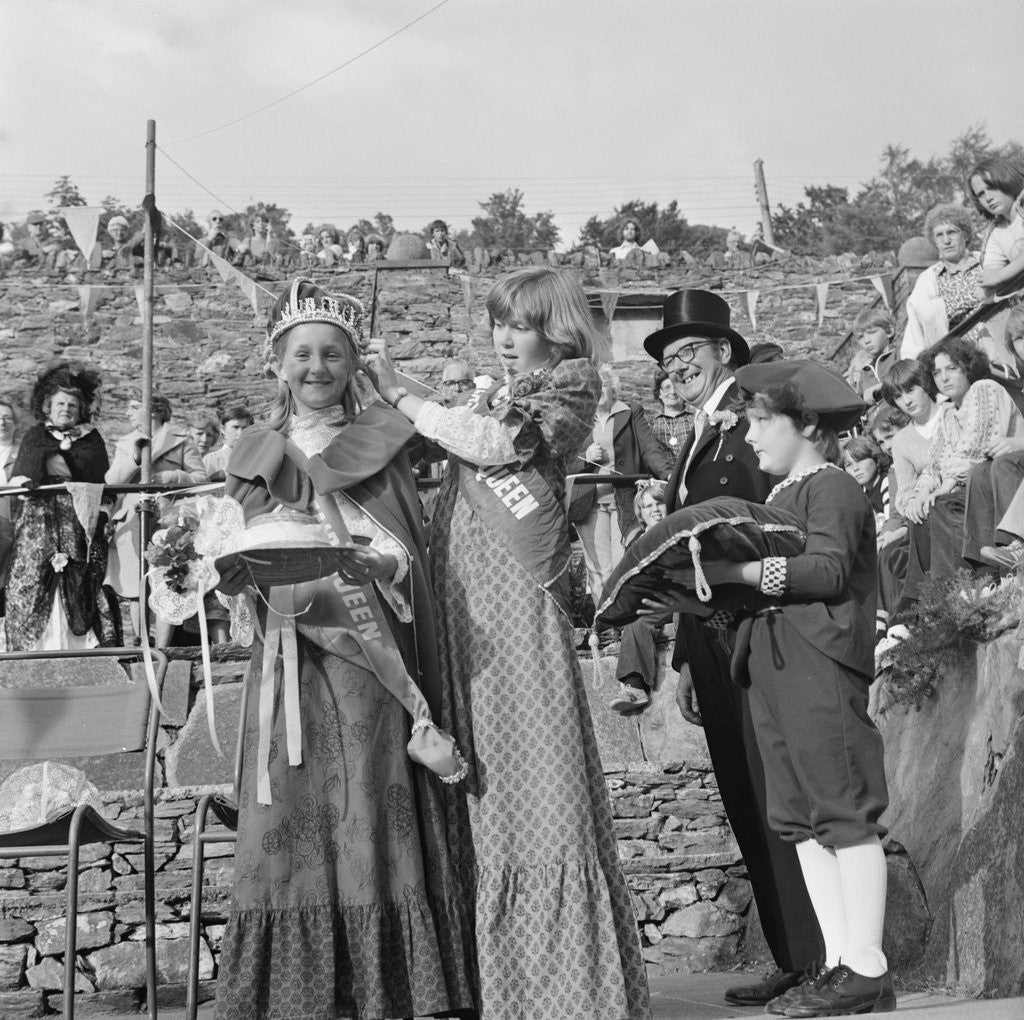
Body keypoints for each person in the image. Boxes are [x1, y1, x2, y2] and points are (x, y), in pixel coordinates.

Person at [368, 266, 651, 1020]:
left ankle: (562, 985)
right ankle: (498, 980)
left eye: (518, 324)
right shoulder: (498, 390)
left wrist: (403, 392)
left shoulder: (570, 384)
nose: (504, 335)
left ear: (555, 329)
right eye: (498, 322)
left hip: (516, 602)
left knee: (530, 759)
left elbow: (497, 445)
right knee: (481, 765)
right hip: (467, 601)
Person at [211, 277, 477, 1020]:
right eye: (303, 354)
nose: (317, 367)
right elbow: (239, 549)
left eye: (333, 354)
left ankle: (386, 984)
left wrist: (376, 563)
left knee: (365, 794)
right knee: (287, 800)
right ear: (277, 363)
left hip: (364, 652)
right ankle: (293, 991)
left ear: (353, 364)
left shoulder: (381, 440)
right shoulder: (254, 452)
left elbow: (405, 549)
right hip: (287, 652)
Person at [640, 288, 823, 1010]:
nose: (674, 365)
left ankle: (817, 955)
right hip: (710, 638)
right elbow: (692, 554)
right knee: (744, 795)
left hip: (753, 631)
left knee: (778, 792)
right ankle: (790, 952)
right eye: (665, 356)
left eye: (689, 351)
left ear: (724, 352)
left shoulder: (746, 421)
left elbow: (758, 527)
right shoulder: (694, 436)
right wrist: (685, 655)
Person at [704, 359, 893, 1018]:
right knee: (800, 820)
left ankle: (866, 964)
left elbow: (828, 570)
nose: (749, 437)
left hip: (816, 661)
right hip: (774, 665)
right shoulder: (781, 495)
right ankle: (840, 962)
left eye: (761, 421)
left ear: (807, 424)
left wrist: (746, 569)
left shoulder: (832, 485)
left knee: (840, 806)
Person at [899, 338, 1023, 614]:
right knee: (923, 514)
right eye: (937, 372)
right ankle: (928, 602)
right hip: (972, 485)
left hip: (1000, 479)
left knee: (944, 503)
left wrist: (943, 487)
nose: (944, 377)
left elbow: (978, 448)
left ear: (967, 368)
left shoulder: (984, 389)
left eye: (951, 368)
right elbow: (934, 464)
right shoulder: (947, 414)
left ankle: (964, 589)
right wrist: (921, 492)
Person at [5, 362, 121, 651]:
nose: (66, 409)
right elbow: (24, 475)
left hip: (77, 519)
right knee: (35, 576)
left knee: (79, 575)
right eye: (60, 403)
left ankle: (78, 644)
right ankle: (37, 647)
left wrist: (68, 456)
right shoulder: (35, 436)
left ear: (80, 409)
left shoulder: (90, 440)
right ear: (48, 406)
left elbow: (98, 477)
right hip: (39, 521)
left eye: (72, 404)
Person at [105, 392, 208, 644]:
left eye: (133, 407)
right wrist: (135, 458)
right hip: (132, 519)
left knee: (168, 579)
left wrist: (170, 477)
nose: (127, 413)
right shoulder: (126, 442)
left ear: (153, 409)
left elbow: (201, 479)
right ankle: (142, 642)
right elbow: (111, 482)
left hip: (169, 520)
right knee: (135, 585)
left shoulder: (181, 440)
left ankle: (164, 646)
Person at [573, 366, 673, 614]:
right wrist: (585, 457)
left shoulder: (630, 412)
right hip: (590, 502)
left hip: (624, 500)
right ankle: (605, 621)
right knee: (598, 567)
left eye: (602, 385)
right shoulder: (578, 418)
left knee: (624, 563)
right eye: (592, 388)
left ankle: (624, 619)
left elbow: (649, 448)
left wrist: (669, 474)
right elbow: (564, 460)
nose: (598, 392)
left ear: (612, 387)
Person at [608, 480, 671, 714]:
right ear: (641, 514)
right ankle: (634, 687)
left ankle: (636, 686)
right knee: (634, 623)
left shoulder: (678, 530)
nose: (655, 509)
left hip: (679, 598)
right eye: (647, 506)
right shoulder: (637, 543)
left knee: (641, 622)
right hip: (650, 603)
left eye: (659, 503)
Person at [900, 203, 991, 361]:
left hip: (994, 352)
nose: (946, 240)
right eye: (939, 235)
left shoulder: (987, 262)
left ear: (966, 235)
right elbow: (914, 330)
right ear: (934, 241)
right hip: (956, 362)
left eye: (952, 232)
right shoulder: (928, 279)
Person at [968, 156, 1024, 303]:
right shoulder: (997, 232)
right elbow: (991, 271)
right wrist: (984, 289)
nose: (988, 197)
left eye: (992, 187)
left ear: (1007, 180)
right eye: (980, 194)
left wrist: (1000, 276)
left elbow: (998, 276)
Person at [847, 308, 898, 406]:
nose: (866, 340)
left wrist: (881, 387)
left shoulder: (899, 354)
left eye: (872, 332)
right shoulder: (865, 372)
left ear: (889, 331)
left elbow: (908, 379)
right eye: (861, 337)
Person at [647, 368, 694, 458]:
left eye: (676, 387)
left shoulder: (696, 419)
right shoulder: (650, 424)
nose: (672, 392)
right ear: (659, 393)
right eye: (667, 388)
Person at [203, 405, 254, 482]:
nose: (240, 433)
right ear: (223, 429)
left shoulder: (258, 458)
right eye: (235, 427)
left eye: (245, 428)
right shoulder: (210, 460)